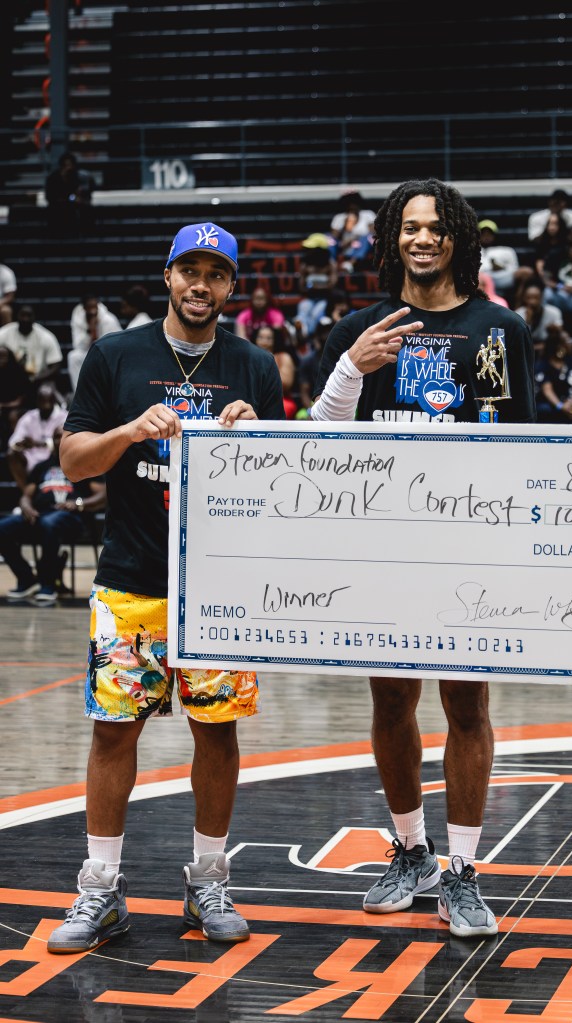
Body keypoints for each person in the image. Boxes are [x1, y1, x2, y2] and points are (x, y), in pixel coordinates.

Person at [46, 222, 284, 955]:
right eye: (190, 270)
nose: (200, 285)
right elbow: (74, 461)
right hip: (132, 582)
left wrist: (257, 436)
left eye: (216, 273)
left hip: (219, 588)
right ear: (168, 275)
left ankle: (208, 881)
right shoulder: (116, 355)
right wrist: (128, 431)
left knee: (217, 732)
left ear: (231, 286)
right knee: (113, 732)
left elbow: (284, 486)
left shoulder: (253, 366)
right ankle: (100, 888)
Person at [310, 178, 535, 937]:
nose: (423, 238)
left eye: (436, 226)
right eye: (409, 226)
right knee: (391, 702)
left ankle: (462, 870)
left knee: (467, 706)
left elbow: (522, 447)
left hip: (468, 552)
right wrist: (353, 366)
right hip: (382, 552)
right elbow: (318, 442)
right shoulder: (360, 328)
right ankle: (411, 851)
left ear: (458, 238)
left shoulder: (497, 329)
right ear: (391, 238)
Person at [0, 425, 106, 605]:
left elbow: (103, 495)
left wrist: (78, 503)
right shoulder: (42, 466)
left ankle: (47, 583)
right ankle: (26, 578)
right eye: (56, 436)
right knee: (2, 529)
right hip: (40, 515)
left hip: (71, 518)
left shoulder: (84, 464)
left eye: (63, 435)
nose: (59, 440)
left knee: (49, 524)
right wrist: (26, 506)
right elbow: (26, 495)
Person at [7, 382, 68, 491]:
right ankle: (27, 493)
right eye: (42, 402)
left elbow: (66, 441)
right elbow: (12, 442)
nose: (46, 406)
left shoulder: (64, 416)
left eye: (48, 402)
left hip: (54, 458)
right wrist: (21, 443)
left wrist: (38, 444)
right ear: (37, 401)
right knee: (11, 454)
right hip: (32, 458)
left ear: (54, 401)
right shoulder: (29, 417)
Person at [0, 305, 63, 390]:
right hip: (10, 379)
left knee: (46, 392)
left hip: (38, 380)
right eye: (23, 315)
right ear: (17, 316)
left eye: (29, 316)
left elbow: (56, 365)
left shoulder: (46, 336)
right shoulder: (5, 333)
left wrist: (35, 379)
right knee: (3, 351)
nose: (25, 319)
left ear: (34, 318)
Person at [68, 295, 122, 392]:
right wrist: (90, 331)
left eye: (94, 307)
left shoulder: (108, 319)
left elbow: (114, 345)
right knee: (73, 357)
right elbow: (77, 345)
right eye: (89, 308)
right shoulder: (78, 318)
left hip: (107, 355)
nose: (93, 311)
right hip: (88, 351)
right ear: (84, 308)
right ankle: (79, 393)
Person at [534, 326, 572, 423]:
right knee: (546, 410)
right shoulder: (543, 364)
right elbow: (547, 391)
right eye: (567, 341)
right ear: (559, 346)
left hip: (569, 401)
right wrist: (561, 406)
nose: (571, 343)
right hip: (550, 404)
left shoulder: (571, 361)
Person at [45, 151, 94, 236]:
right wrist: (69, 199)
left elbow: (78, 193)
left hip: (72, 207)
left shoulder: (75, 177)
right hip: (57, 207)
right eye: (66, 165)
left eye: (70, 165)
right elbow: (50, 197)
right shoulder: (53, 178)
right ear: (61, 166)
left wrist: (75, 197)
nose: (68, 168)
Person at [329, 190, 376, 270]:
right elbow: (334, 237)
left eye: (354, 202)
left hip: (363, 245)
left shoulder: (368, 214)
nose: (352, 205)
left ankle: (351, 263)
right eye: (349, 202)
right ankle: (332, 263)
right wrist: (344, 226)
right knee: (329, 239)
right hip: (345, 245)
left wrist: (356, 238)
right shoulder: (339, 217)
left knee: (368, 237)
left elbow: (373, 233)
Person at [478, 219, 521, 297]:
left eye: (489, 233)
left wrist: (502, 268)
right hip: (480, 278)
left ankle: (519, 302)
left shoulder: (507, 250)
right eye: (483, 233)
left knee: (525, 272)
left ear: (495, 235)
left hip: (502, 278)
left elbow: (515, 269)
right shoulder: (472, 250)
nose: (486, 236)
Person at [0, 260, 17, 325]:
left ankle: (6, 332)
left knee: (6, 311)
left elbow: (10, 297)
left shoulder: (6, 272)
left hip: (1, 304)